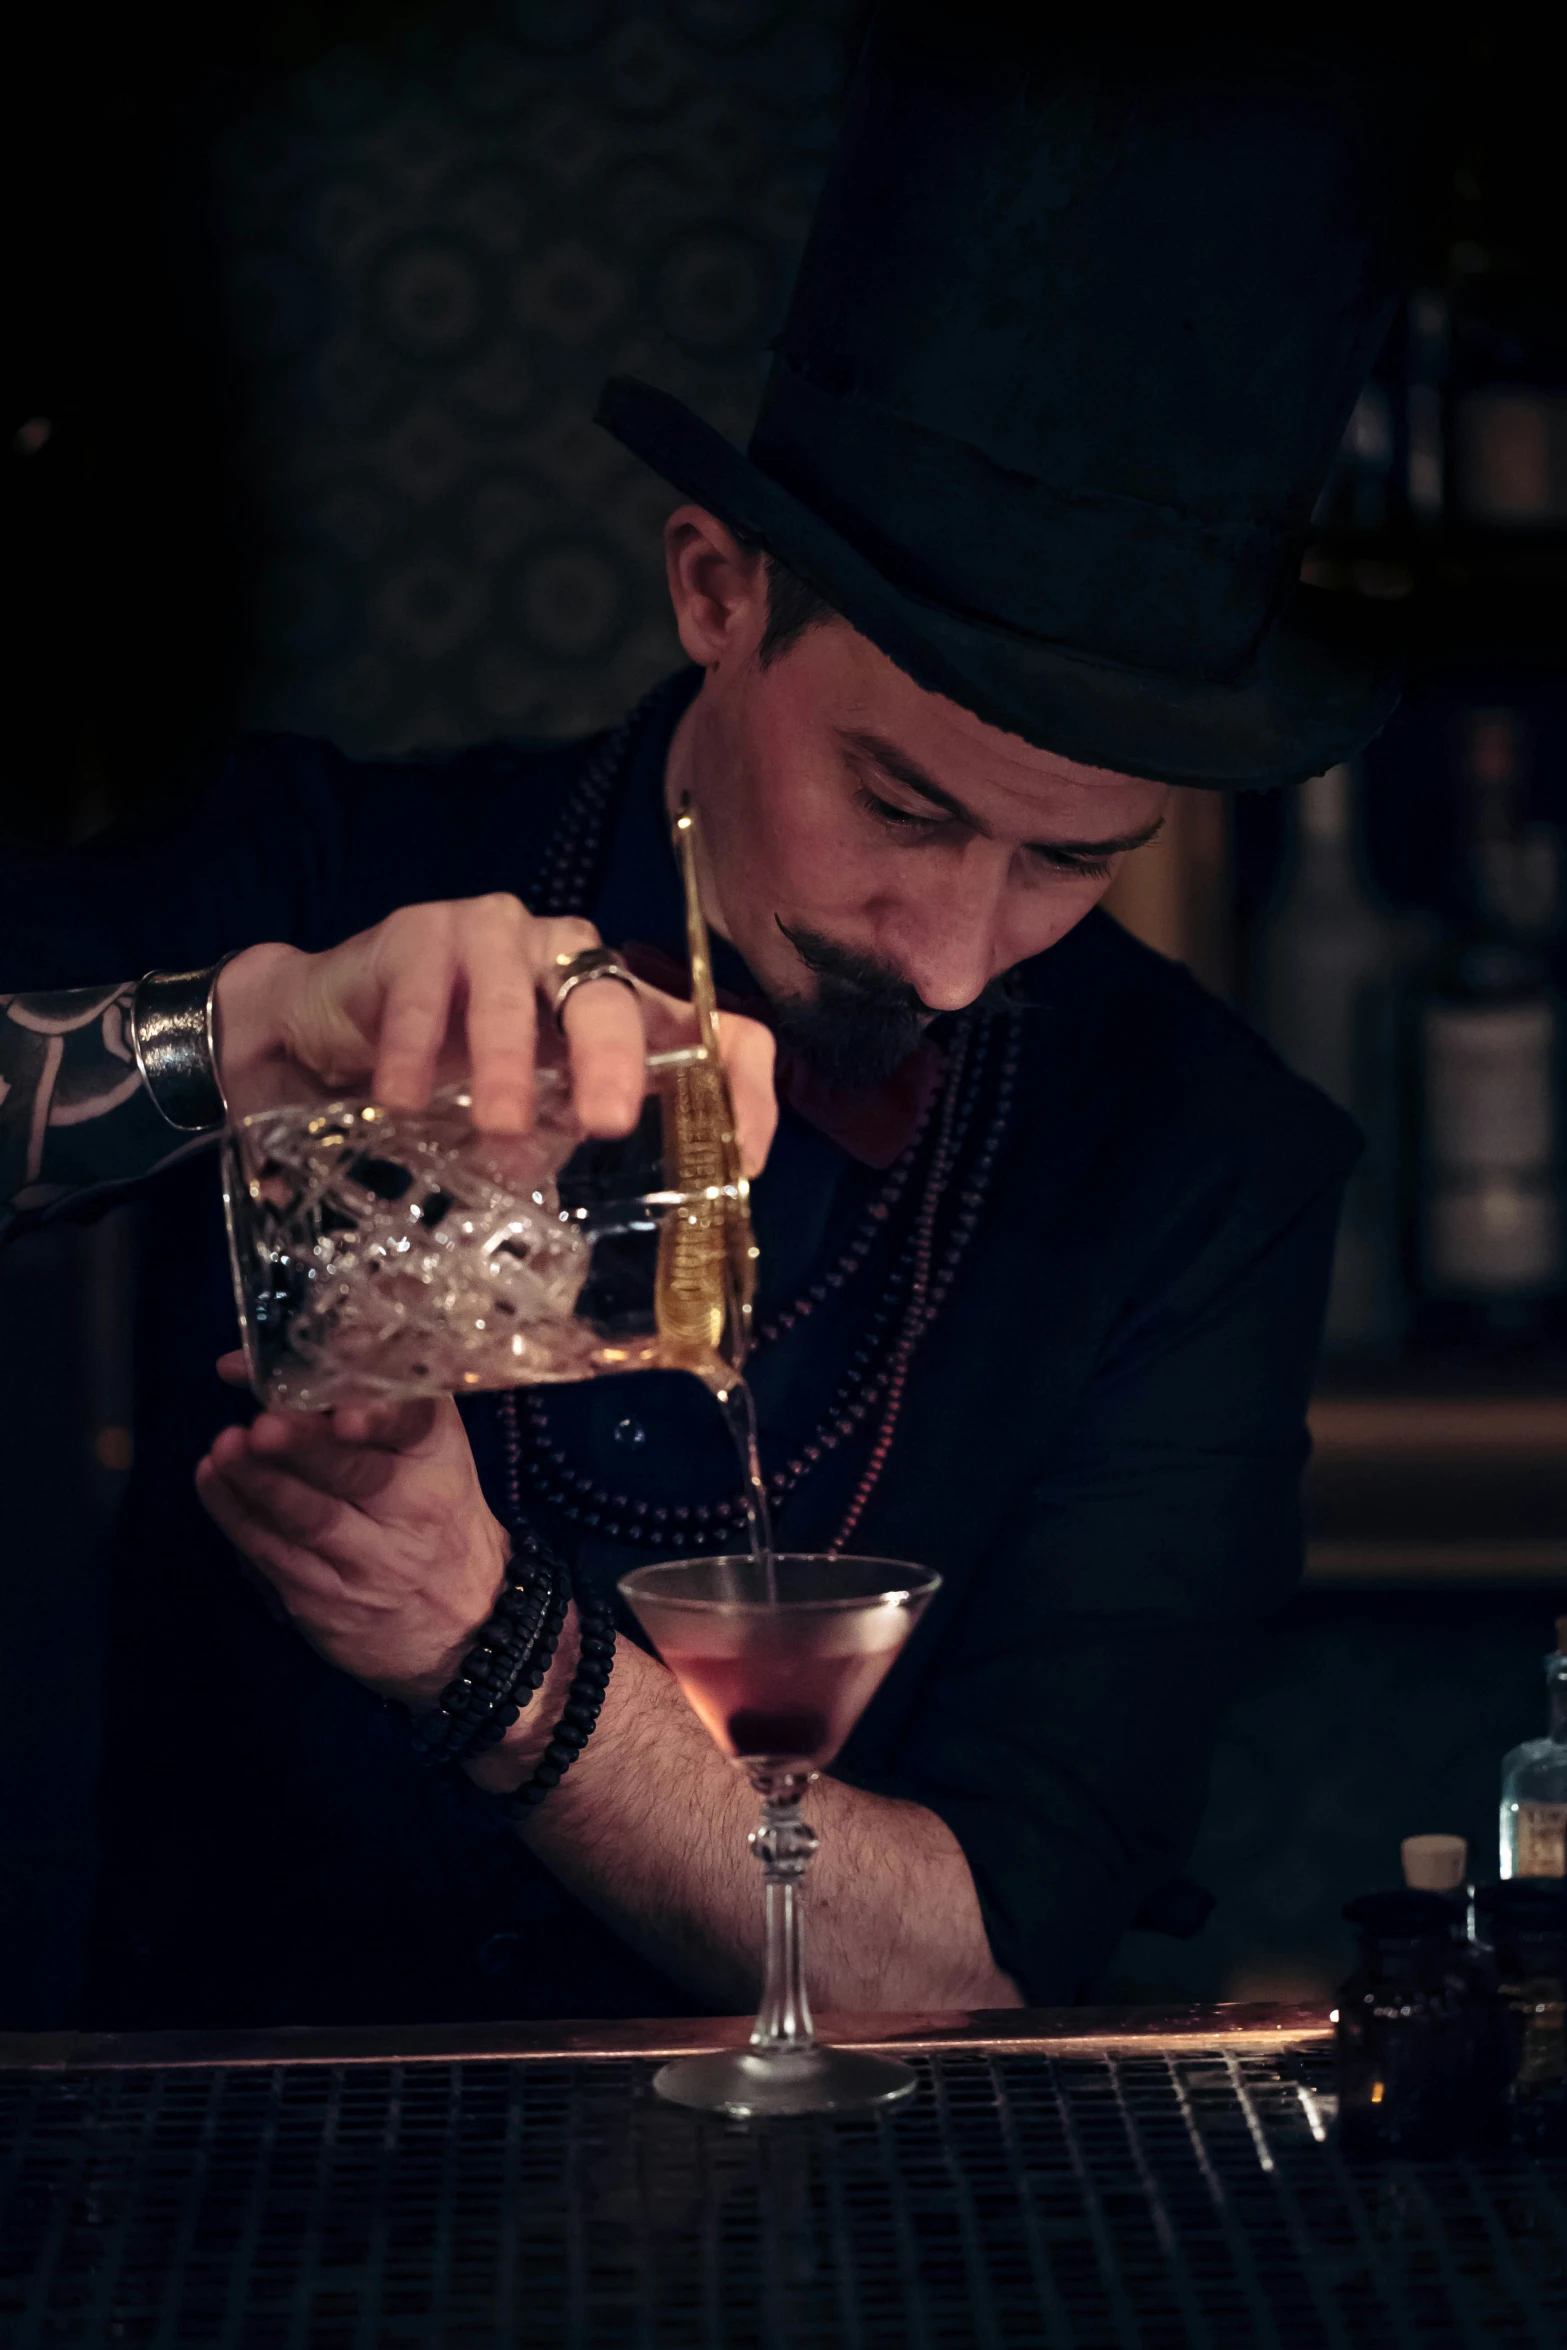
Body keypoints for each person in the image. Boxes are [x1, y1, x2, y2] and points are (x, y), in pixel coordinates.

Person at [0, 18, 1401, 2027]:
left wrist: (488, 1651)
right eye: (903, 804)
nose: (952, 948)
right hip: (204, 2202)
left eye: (1073, 858)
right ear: (716, 589)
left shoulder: (1212, 1162)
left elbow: (983, 1949)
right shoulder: (313, 865)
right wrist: (233, 1029)